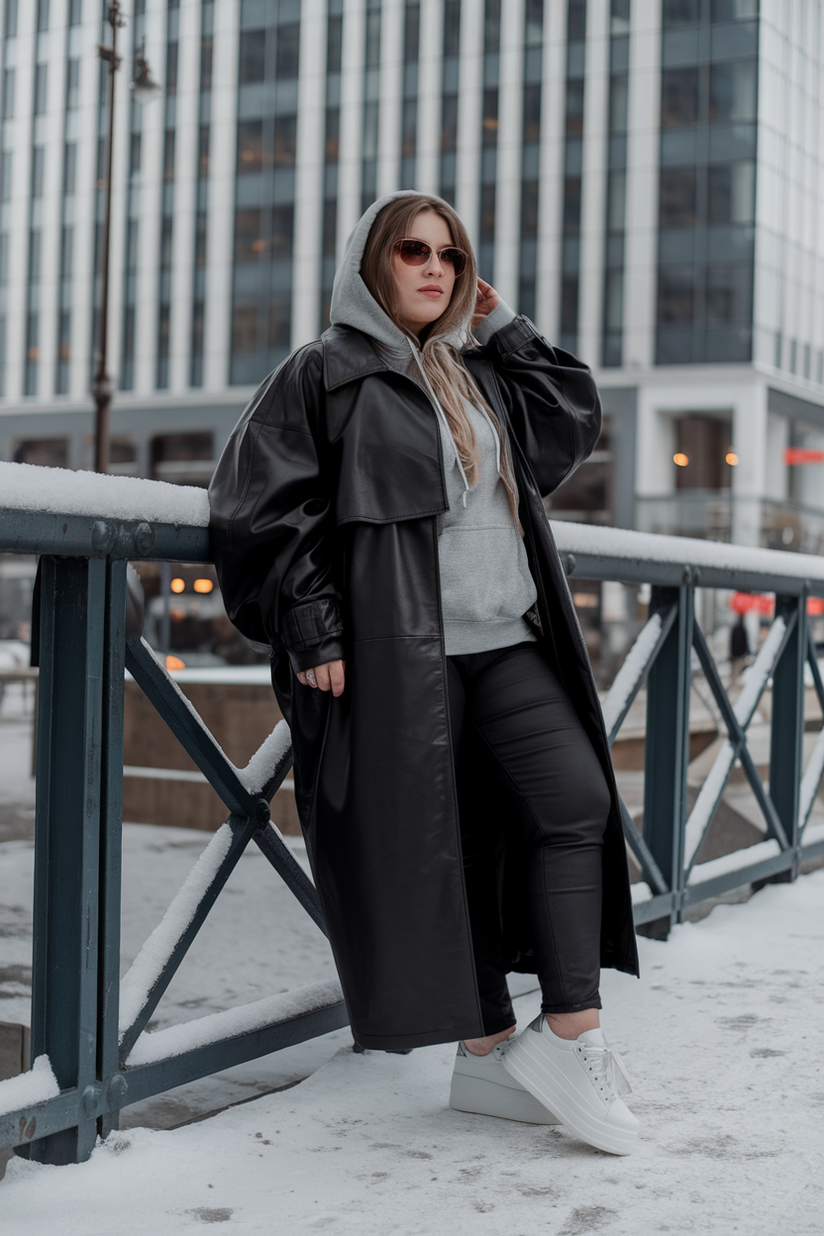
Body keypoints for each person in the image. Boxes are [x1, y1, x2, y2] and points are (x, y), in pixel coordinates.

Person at [209, 191, 639, 1156]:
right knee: (440, 853)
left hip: (509, 642)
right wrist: (315, 627)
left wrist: (506, 324)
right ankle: (486, 1053)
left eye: (450, 253)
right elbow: (256, 510)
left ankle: (575, 1034)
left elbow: (574, 417)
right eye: (412, 249)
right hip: (403, 658)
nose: (434, 266)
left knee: (575, 802)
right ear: (372, 261)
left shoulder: (473, 369)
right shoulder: (322, 372)